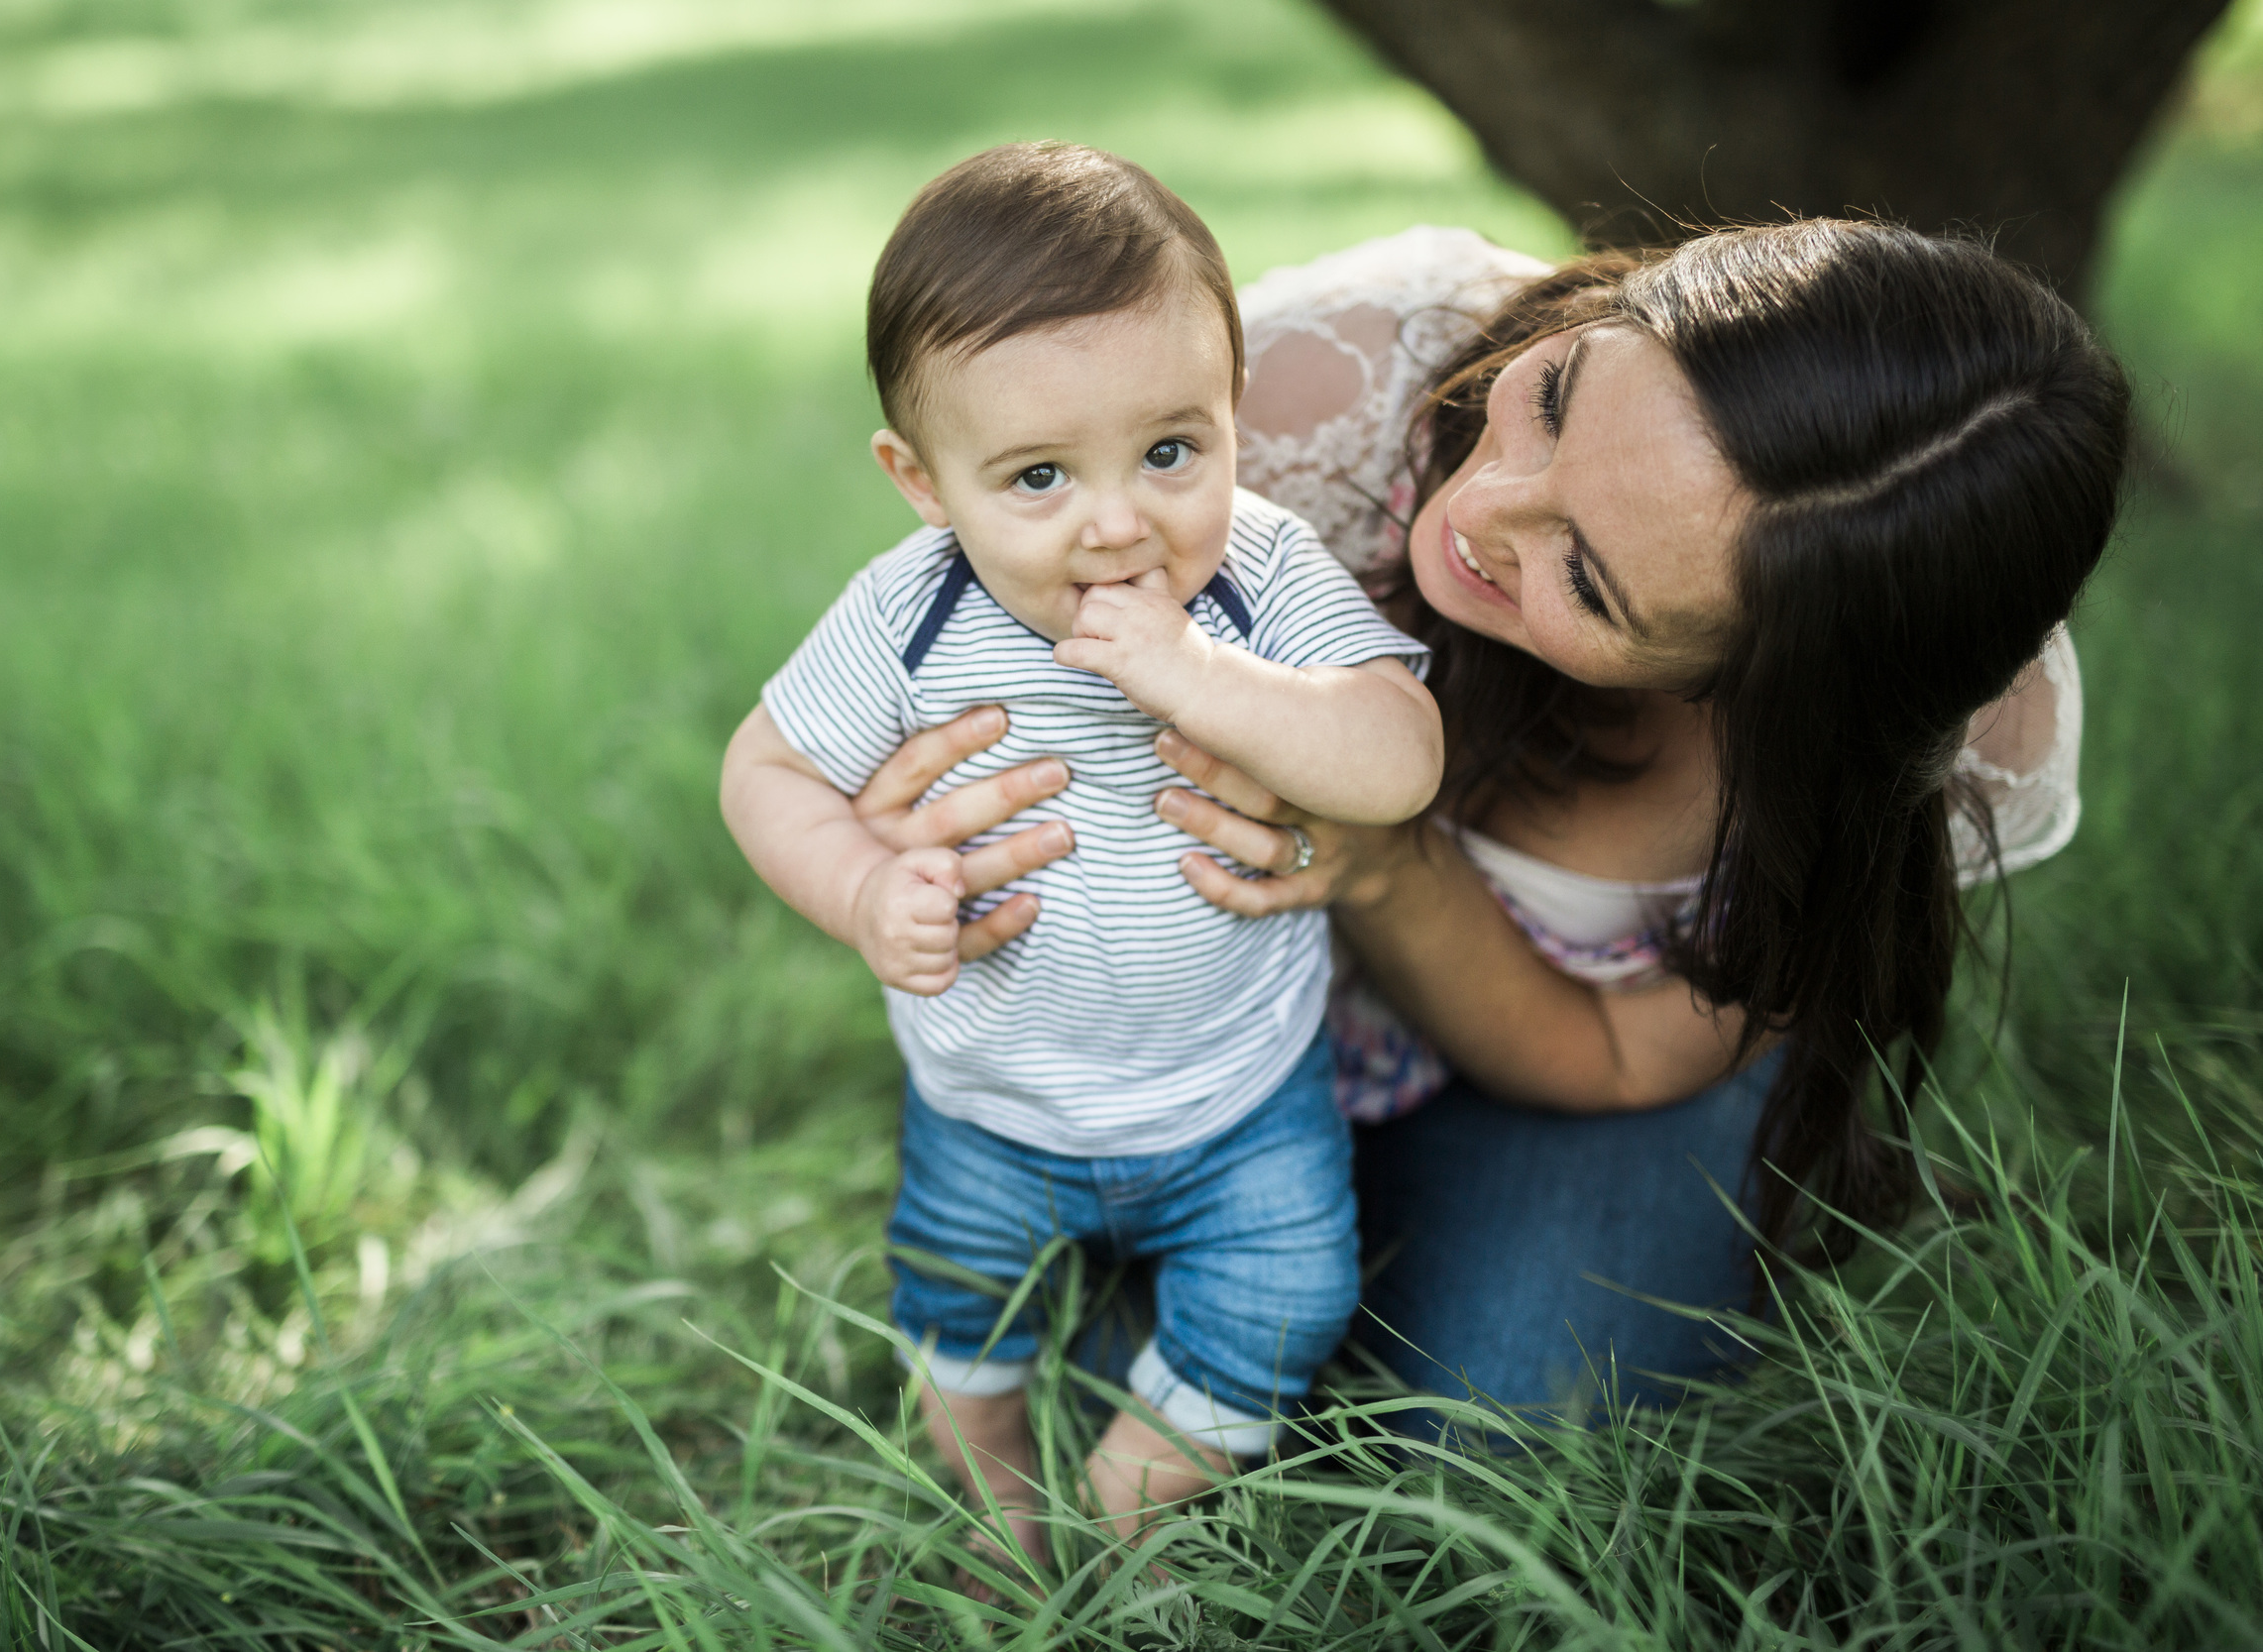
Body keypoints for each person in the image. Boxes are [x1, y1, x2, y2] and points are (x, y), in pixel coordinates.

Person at [834, 218, 2128, 1427]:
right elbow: (964, 569)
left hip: (1533, 1060)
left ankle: (1282, 1291)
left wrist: (1388, 866)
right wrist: (903, 819)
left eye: (1590, 579)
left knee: (1509, 1405)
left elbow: (1618, 1057)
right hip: (1171, 1020)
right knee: (1069, 1350)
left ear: (1759, 687)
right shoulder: (1310, 392)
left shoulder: (1905, 740)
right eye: (1557, 400)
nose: (1477, 513)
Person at [719, 143, 1443, 1557]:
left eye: (1172, 451)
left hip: (1243, 1094)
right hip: (994, 1101)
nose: (1119, 523)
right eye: (1039, 477)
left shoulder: (1261, 573)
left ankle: (1121, 1504)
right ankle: (997, 1488)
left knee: (1291, 1301)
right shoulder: (908, 616)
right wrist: (864, 888)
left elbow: (1400, 758)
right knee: (955, 1312)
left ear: (1234, 417)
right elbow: (765, 772)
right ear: (924, 483)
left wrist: (1209, 680)